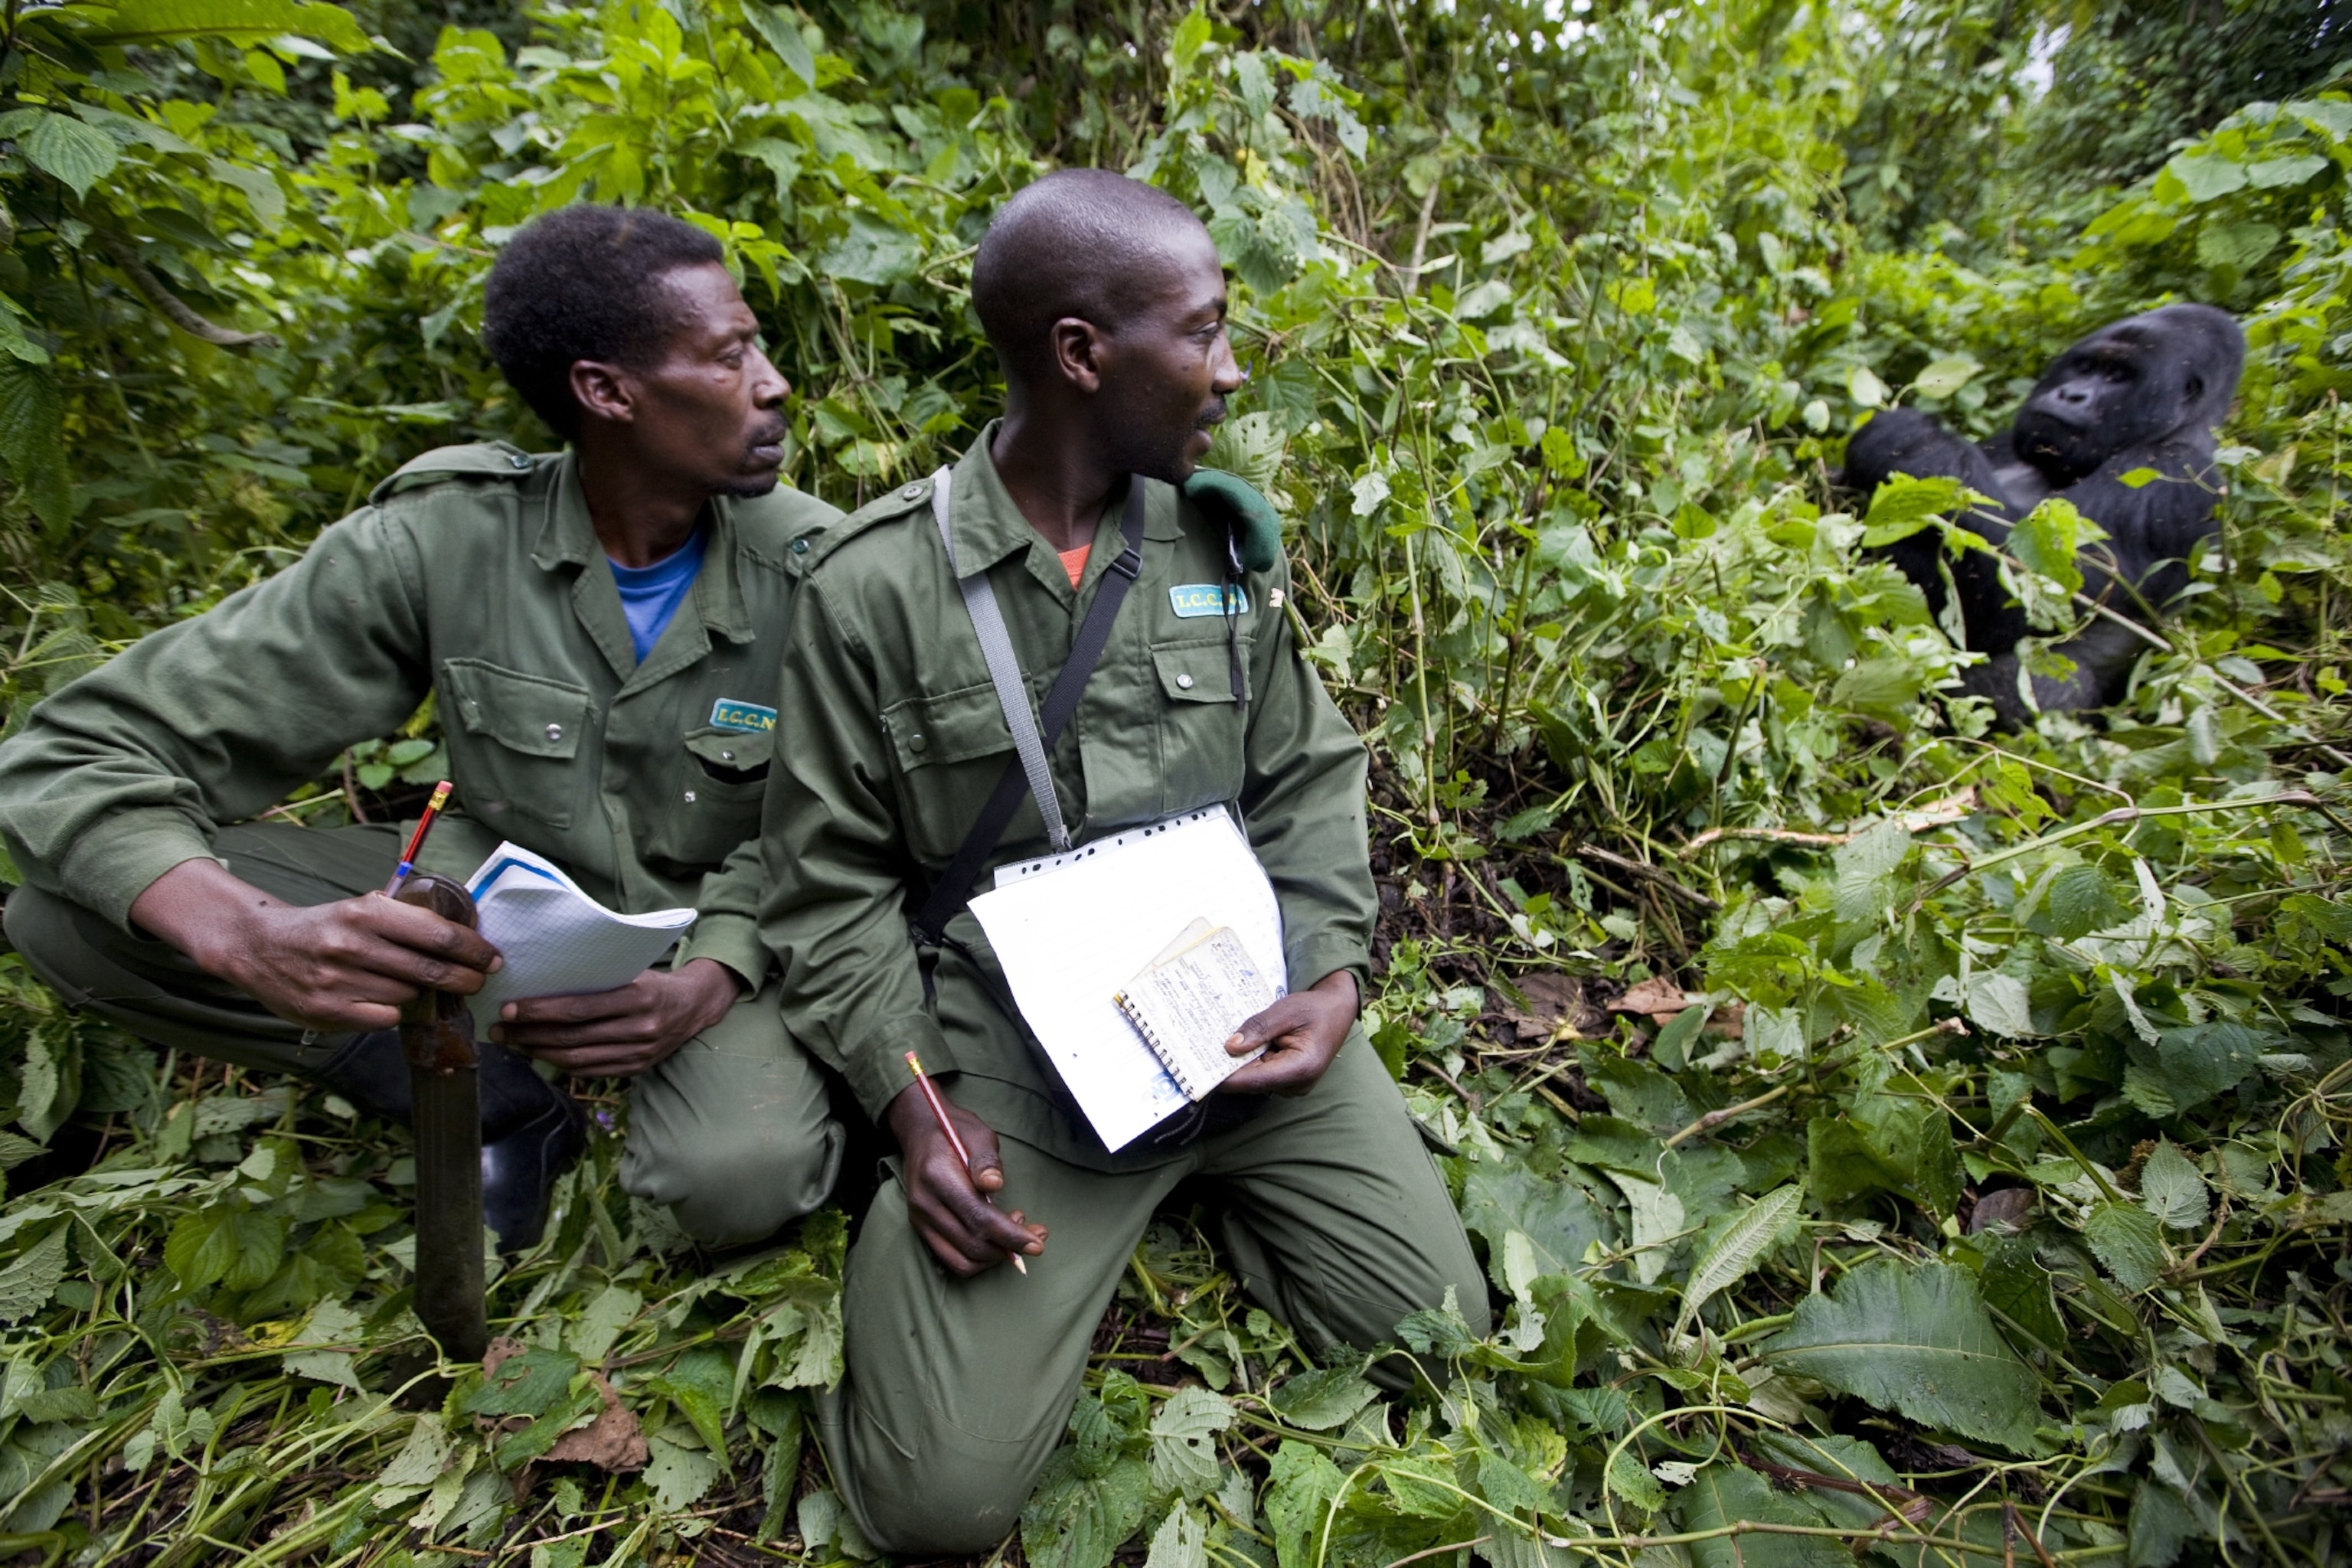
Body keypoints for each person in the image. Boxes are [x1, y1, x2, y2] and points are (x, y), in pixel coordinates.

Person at [759, 169, 1488, 1553]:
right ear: (1083, 355)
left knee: (1439, 1342)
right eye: (1202, 332)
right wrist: (913, 1100)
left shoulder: (1216, 540)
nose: (1229, 369)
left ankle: (1204, 1187)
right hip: (1023, 1052)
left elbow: (1307, 770)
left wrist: (1330, 977)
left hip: (1237, 1016)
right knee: (938, 1506)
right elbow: (827, 882)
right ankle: (1067, 1218)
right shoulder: (875, 590)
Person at [0, 204, 844, 1251]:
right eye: (729, 357)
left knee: (729, 1188)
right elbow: (70, 756)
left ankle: (618, 1075)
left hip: (708, 935)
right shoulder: (446, 539)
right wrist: (257, 936)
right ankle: (492, 1095)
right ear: (606, 392)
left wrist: (713, 973)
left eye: (757, 344)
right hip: (491, 931)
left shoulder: (824, 572)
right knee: (72, 916)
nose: (772, 383)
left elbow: (851, 828)